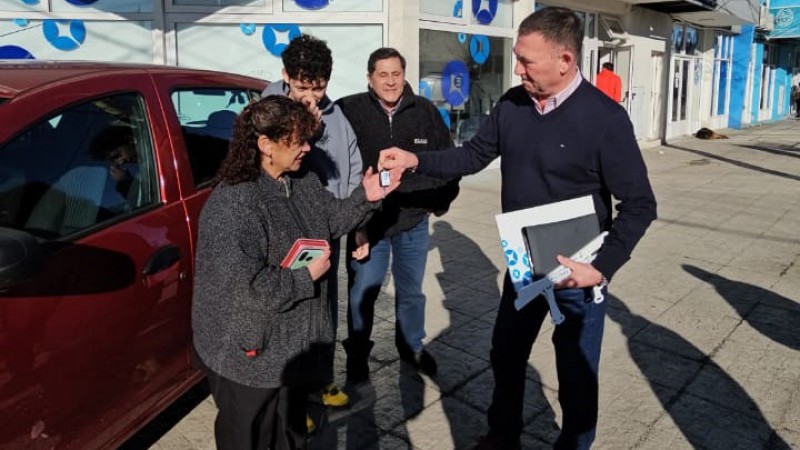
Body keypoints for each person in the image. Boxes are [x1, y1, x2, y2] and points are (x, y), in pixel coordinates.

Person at [379, 7, 657, 450]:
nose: (516, 67)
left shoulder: (605, 119)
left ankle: (574, 443)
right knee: (505, 355)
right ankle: (503, 435)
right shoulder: (512, 105)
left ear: (565, 60)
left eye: (527, 60)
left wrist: (601, 267)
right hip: (524, 262)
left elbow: (640, 205)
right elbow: (471, 156)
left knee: (576, 375)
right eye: (517, 59)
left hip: (577, 271)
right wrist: (417, 160)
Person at [191, 96, 399, 450]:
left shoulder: (301, 181)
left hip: (291, 352)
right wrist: (306, 277)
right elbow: (247, 291)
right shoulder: (234, 205)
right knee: (249, 438)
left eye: (307, 138)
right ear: (265, 145)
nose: (307, 148)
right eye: (297, 140)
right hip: (249, 357)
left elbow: (332, 218)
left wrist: (366, 196)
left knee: (290, 436)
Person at [336, 47, 460, 382]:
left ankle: (411, 348)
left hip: (413, 222)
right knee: (363, 291)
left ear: (404, 75)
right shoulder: (348, 110)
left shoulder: (425, 112)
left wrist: (440, 199)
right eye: (382, 74)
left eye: (396, 73)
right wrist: (354, 219)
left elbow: (448, 162)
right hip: (368, 224)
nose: (390, 81)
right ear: (369, 78)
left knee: (411, 291)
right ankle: (358, 356)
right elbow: (338, 168)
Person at [261, 33, 362, 424]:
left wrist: (358, 227)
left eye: (318, 89)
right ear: (285, 75)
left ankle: (320, 379)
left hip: (325, 234)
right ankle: (290, 397)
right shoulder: (264, 112)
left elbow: (350, 175)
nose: (311, 98)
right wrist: (305, 132)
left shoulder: (335, 116)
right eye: (303, 88)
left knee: (323, 313)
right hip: (282, 238)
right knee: (287, 314)